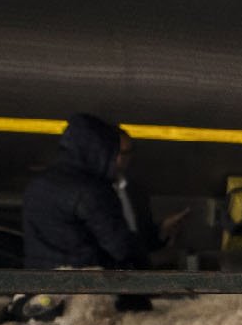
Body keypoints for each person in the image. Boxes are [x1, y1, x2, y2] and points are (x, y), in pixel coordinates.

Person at [23, 114, 148, 270]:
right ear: (100, 150)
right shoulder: (92, 190)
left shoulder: (37, 184)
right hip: (81, 285)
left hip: (39, 283)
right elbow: (119, 246)